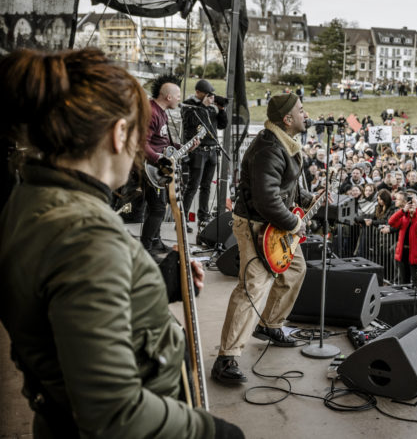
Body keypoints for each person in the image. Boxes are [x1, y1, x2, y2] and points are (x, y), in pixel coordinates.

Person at [0, 48, 241, 437]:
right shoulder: (85, 236)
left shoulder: (31, 195)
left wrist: (151, 280)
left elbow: (66, 296)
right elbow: (115, 415)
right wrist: (210, 431)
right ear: (119, 134)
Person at [213, 93, 312, 385]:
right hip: (257, 226)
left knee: (295, 270)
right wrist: (295, 222)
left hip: (274, 225)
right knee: (252, 288)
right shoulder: (269, 148)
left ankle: (269, 324)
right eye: (301, 111)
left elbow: (284, 188)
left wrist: (305, 199)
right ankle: (226, 358)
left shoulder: (285, 142)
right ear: (287, 119)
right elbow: (268, 200)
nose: (306, 115)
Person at [141, 74, 198, 255]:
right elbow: (141, 143)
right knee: (157, 209)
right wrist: (158, 159)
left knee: (159, 206)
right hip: (152, 167)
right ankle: (146, 248)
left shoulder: (162, 113)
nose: (180, 98)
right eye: (178, 95)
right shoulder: (151, 112)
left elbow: (164, 143)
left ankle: (156, 243)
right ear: (168, 97)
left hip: (160, 167)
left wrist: (185, 147)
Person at [181, 79, 228, 232]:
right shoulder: (190, 105)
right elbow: (191, 122)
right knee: (192, 186)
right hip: (198, 151)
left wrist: (221, 109)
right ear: (198, 92)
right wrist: (203, 106)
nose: (210, 97)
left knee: (206, 186)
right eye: (207, 94)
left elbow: (222, 125)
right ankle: (182, 219)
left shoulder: (209, 108)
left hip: (212, 150)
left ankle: (203, 218)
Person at [388, 193, 417, 284]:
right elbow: (391, 222)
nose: (412, 206)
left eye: (414, 205)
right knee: (404, 281)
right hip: (403, 253)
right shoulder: (404, 217)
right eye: (410, 204)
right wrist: (403, 210)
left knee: (416, 281)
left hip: (414, 255)